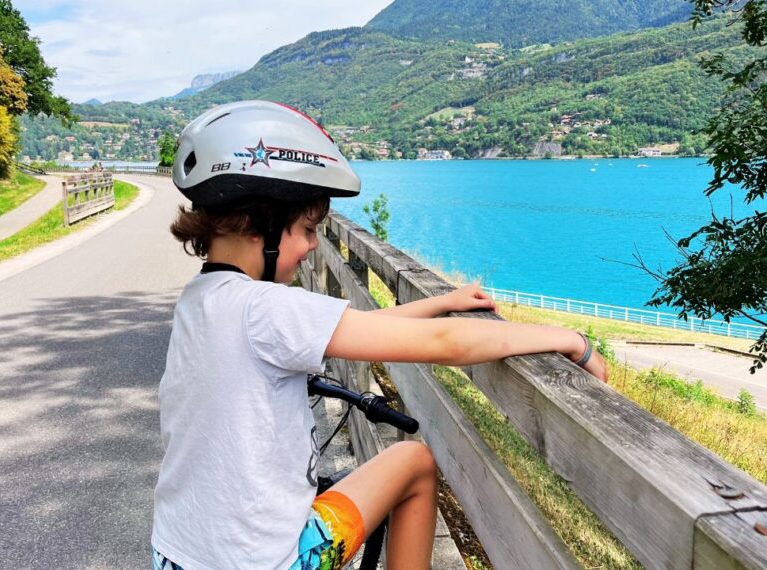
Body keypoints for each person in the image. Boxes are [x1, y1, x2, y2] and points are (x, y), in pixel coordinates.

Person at [151, 100, 608, 570]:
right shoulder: (264, 309)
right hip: (264, 562)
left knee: (403, 465)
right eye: (307, 229)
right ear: (256, 223)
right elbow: (446, 346)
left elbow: (363, 329)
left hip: (177, 553)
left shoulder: (203, 298)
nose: (312, 246)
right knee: (414, 464)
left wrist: (441, 303)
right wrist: (571, 339)